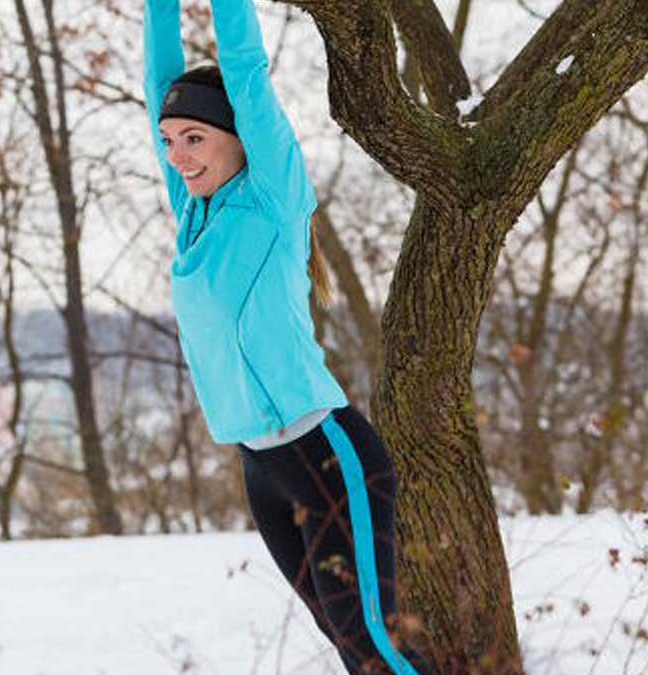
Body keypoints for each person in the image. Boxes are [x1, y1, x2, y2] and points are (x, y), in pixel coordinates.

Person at [142, 2, 435, 673]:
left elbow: (245, 69)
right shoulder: (194, 215)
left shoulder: (272, 194)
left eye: (194, 138)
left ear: (237, 134)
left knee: (374, 644)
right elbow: (156, 84)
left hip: (325, 452)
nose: (179, 155)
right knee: (351, 648)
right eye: (169, 140)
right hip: (264, 467)